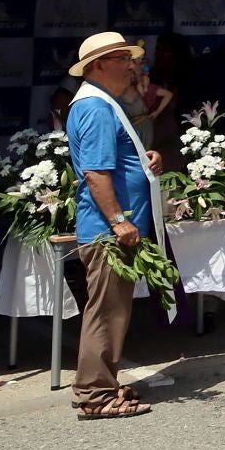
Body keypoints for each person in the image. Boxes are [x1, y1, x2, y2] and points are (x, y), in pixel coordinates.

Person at [62, 32, 161, 420]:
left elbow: (112, 162)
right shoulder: (96, 107)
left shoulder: (102, 103)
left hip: (108, 228)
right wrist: (119, 220)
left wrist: (143, 159)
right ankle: (94, 394)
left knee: (111, 309)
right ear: (99, 65)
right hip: (107, 230)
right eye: (123, 58)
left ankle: (100, 383)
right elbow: (95, 172)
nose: (132, 65)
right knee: (106, 311)